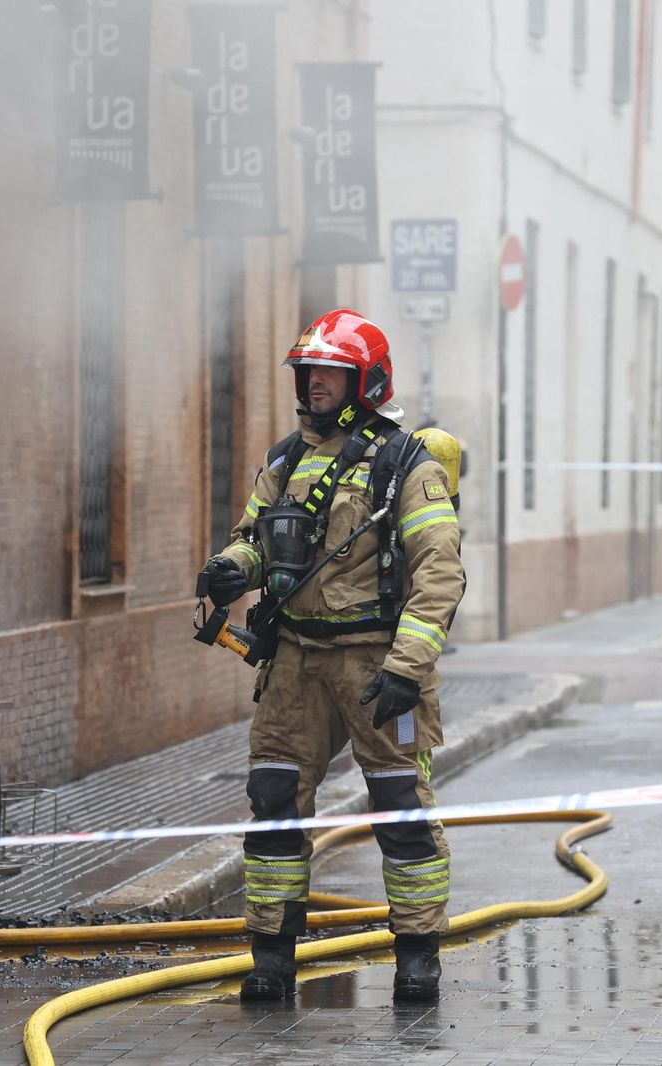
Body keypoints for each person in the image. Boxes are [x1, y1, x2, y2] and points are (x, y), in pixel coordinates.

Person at [197, 309, 465, 1003]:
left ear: (364, 382)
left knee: (401, 809)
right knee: (275, 804)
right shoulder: (285, 460)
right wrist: (232, 567)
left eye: (329, 373)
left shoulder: (407, 463)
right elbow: (257, 538)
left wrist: (408, 667)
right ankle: (273, 957)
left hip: (376, 663)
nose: (314, 383)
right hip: (293, 666)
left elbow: (439, 574)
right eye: (308, 372)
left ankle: (417, 956)